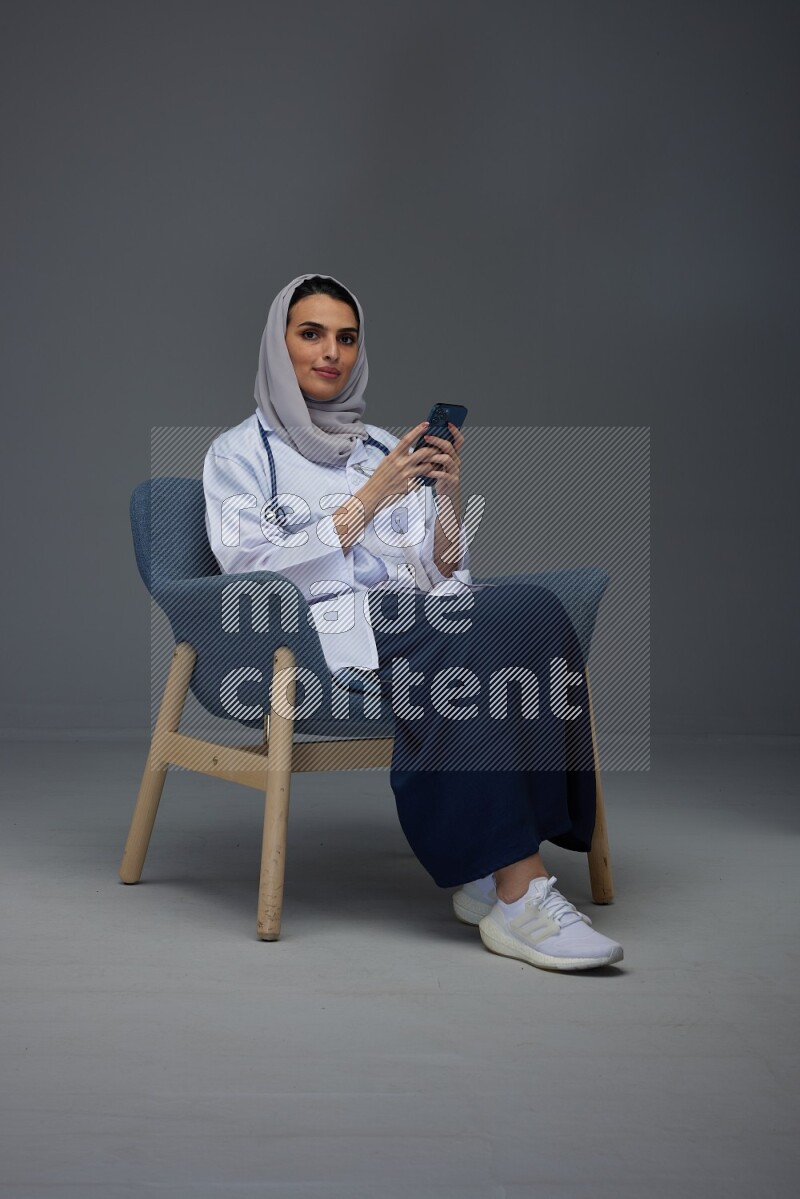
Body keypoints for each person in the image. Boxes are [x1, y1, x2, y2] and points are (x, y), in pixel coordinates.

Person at [203, 272, 624, 972]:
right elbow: (250, 569)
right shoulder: (238, 454)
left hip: (410, 614)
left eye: (346, 336)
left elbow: (442, 573)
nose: (330, 352)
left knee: (534, 612)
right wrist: (367, 501)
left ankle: (492, 872)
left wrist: (447, 495)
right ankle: (520, 894)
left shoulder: (380, 446)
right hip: (311, 631)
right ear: (279, 346)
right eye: (311, 334)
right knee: (466, 628)